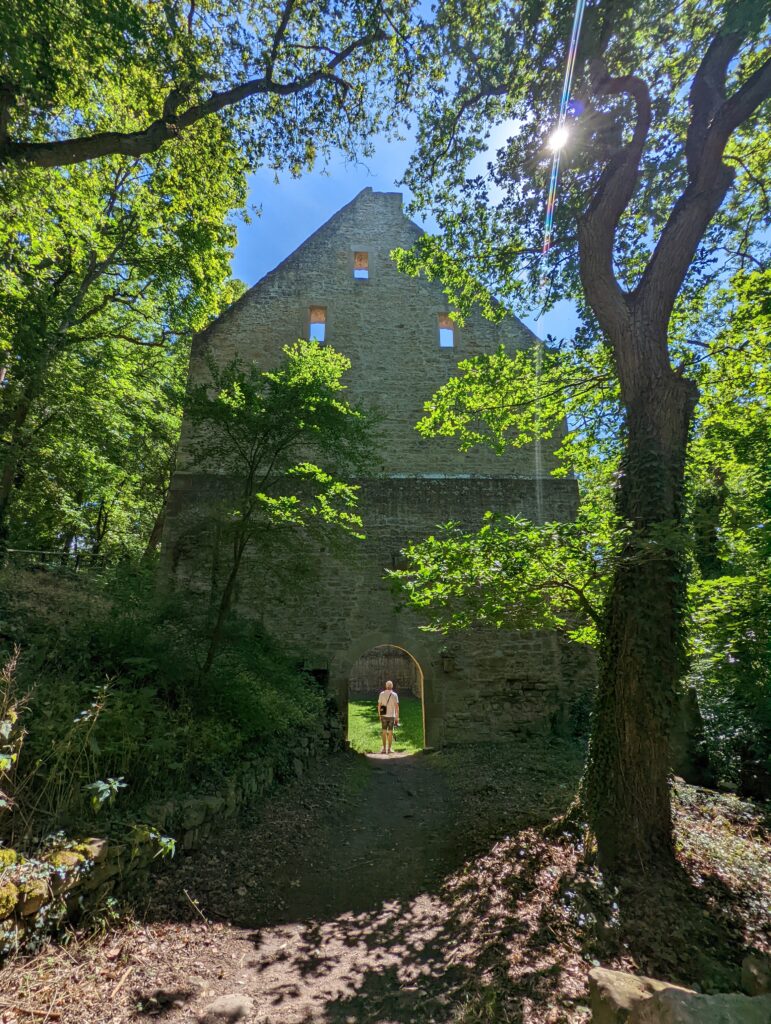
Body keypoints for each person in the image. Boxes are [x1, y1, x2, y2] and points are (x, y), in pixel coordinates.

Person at [377, 679, 399, 754]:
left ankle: (384, 749)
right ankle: (389, 749)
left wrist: (379, 715)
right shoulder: (395, 695)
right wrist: (397, 717)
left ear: (386, 686)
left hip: (384, 715)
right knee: (390, 732)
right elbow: (397, 707)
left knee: (383, 731)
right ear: (392, 686)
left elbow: (379, 705)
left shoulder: (381, 694)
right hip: (391, 716)